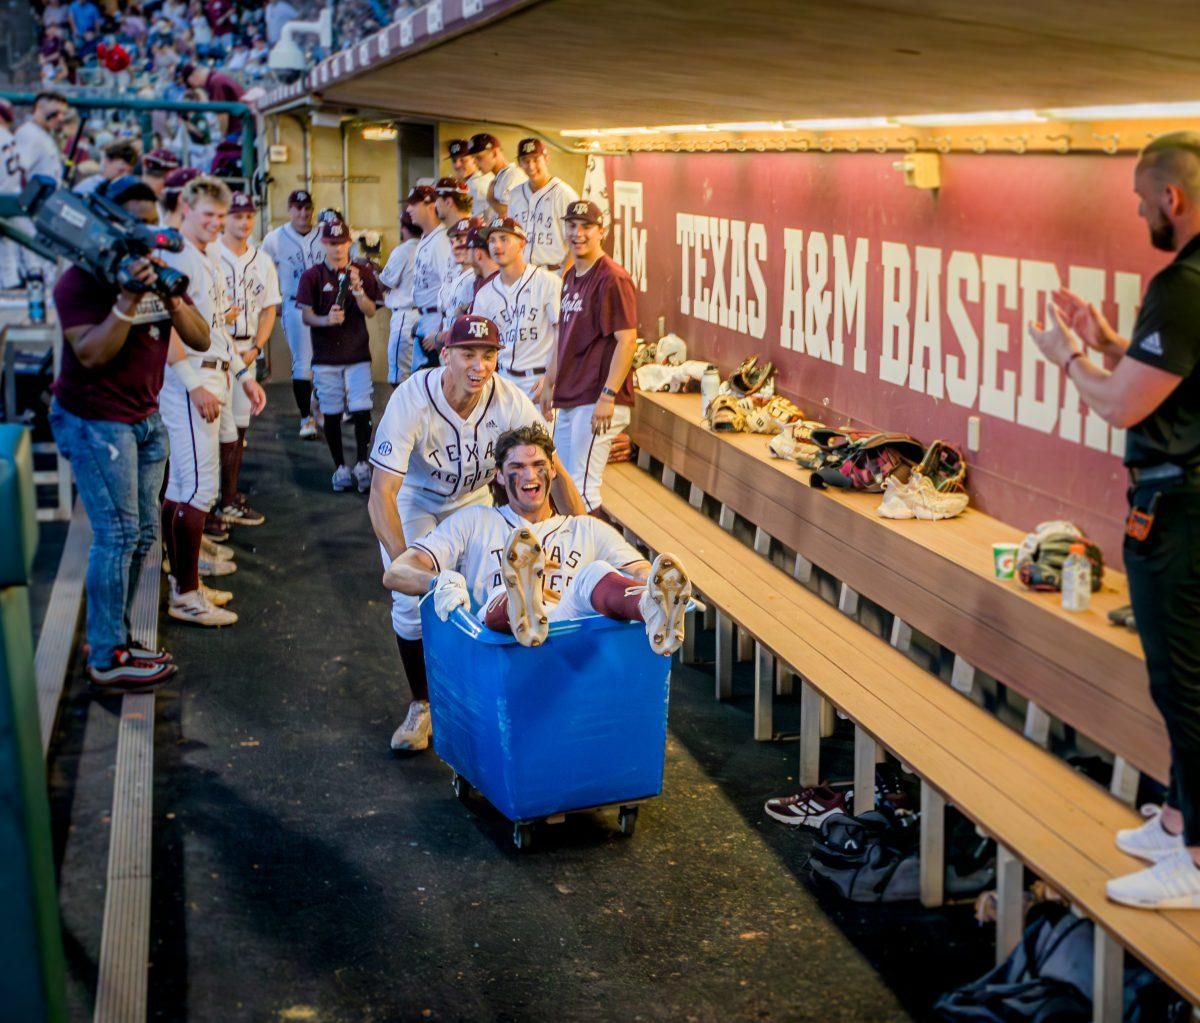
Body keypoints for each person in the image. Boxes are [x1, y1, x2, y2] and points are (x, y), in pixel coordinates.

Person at [1027, 131, 1200, 911]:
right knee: (1179, 683)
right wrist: (1107, 340)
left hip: (1182, 512)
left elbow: (1121, 401)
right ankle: (1177, 818)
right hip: (1184, 506)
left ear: (1173, 197)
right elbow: (1170, 373)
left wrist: (1066, 356)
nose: (1138, 211)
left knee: (1186, 684)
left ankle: (1195, 859)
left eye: (1141, 198)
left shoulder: (1185, 283)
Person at [368, 314, 585, 752]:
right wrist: (403, 561)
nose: (479, 365)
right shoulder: (413, 398)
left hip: (472, 500)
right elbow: (381, 494)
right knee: (412, 603)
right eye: (468, 353)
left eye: (488, 355)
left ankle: (482, 696)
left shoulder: (508, 400)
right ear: (445, 354)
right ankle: (422, 704)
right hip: (417, 497)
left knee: (488, 591)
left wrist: (582, 534)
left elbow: (553, 469)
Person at [48, 177, 211, 690]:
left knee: (141, 535)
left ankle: (113, 634)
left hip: (143, 419)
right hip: (97, 421)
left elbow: (200, 338)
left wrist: (170, 295)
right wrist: (127, 299)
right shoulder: (79, 281)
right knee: (116, 535)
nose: (141, 231)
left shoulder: (157, 273)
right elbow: (93, 353)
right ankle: (106, 652)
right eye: (131, 221)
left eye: (148, 220)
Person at [385, 422, 690, 655]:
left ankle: (651, 608)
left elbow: (640, 572)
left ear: (553, 470)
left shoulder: (585, 528)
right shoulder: (475, 520)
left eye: (538, 466)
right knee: (501, 591)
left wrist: (655, 585)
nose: (530, 476)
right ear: (500, 477)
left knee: (594, 575)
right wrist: (439, 583)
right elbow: (396, 572)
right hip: (501, 643)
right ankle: (521, 606)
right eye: (517, 467)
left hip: (567, 634)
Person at [158, 175, 266, 627]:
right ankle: (185, 591)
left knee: (186, 486)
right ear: (186, 208)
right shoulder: (176, 254)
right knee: (198, 488)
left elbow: (216, 325)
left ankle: (183, 579)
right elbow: (165, 323)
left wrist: (242, 374)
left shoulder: (205, 254)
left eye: (221, 216)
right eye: (209, 215)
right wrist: (191, 381)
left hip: (214, 372)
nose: (216, 223)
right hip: (191, 379)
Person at [544, 200, 637, 513]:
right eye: (572, 225)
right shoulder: (571, 276)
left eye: (586, 226)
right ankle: (576, 557)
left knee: (583, 492)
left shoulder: (612, 278)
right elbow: (564, 338)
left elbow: (627, 340)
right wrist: (549, 383)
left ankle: (601, 560)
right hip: (572, 395)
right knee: (563, 484)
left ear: (602, 231)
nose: (578, 233)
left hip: (597, 398)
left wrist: (608, 395)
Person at [297, 218, 382, 493]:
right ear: (324, 243)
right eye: (332, 243)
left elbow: (370, 311)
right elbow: (307, 315)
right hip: (325, 356)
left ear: (350, 242)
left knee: (361, 409)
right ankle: (340, 468)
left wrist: (358, 291)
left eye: (341, 243)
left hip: (357, 352)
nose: (337, 249)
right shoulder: (312, 276)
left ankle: (361, 463)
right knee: (331, 412)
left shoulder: (362, 272)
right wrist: (326, 320)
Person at [213, 190, 280, 524]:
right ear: (225, 218)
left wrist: (257, 347)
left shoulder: (262, 259)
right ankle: (211, 501)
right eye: (237, 215)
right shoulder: (210, 255)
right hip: (213, 352)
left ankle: (228, 497)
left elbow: (269, 309)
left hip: (246, 349)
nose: (244, 222)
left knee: (238, 429)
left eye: (249, 216)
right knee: (211, 432)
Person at [471, 216, 560, 403]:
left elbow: (564, 335)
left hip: (538, 381)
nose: (496, 246)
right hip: (502, 382)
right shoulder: (485, 294)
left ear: (522, 243)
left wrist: (552, 379)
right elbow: (479, 343)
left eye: (504, 239)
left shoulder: (548, 283)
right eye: (492, 240)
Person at [261, 189, 322, 437]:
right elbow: (262, 271)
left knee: (326, 363)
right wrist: (272, 299)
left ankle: (321, 408)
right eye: (298, 208)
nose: (303, 213)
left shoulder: (323, 234)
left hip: (324, 305)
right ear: (289, 209)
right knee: (303, 363)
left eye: (307, 207)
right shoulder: (275, 238)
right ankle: (306, 418)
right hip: (295, 305)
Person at [505, 138, 579, 274]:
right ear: (519, 163)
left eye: (536, 159)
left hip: (553, 273)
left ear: (546, 159)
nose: (531, 166)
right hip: (521, 273)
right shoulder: (515, 195)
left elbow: (576, 242)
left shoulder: (565, 195)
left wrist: (564, 276)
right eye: (526, 161)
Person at [404, 183, 455, 375]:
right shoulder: (427, 237)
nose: (408, 209)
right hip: (425, 317)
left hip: (437, 319)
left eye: (414, 203)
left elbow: (449, 286)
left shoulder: (441, 240)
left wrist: (440, 329)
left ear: (430, 205)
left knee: (434, 381)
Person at [379, 209, 421, 385]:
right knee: (419, 376)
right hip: (425, 315)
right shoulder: (429, 246)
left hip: (405, 315)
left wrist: (371, 271)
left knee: (399, 376)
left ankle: (404, 413)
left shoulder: (402, 250)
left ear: (404, 228)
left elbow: (383, 284)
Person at [433, 215, 481, 350]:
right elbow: (447, 312)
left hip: (464, 347)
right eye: (454, 241)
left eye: (463, 241)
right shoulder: (456, 274)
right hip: (450, 345)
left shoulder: (476, 278)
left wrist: (441, 337)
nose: (456, 247)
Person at [0, 99, 26, 289]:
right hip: (14, 193)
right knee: (11, 245)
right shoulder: (9, 136)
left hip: (3, 194)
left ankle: (11, 281)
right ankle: (13, 280)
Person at [15, 92, 68, 184]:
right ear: (39, 108)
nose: (60, 118)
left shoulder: (44, 132)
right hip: (34, 195)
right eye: (55, 113)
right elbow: (18, 172)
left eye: (63, 113)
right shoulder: (30, 133)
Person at [469, 133, 525, 219]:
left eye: (479, 158)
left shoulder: (512, 176)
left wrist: (491, 199)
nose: (475, 163)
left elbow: (507, 213)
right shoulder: (501, 177)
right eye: (473, 158)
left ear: (494, 153)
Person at [74, 138, 140, 195]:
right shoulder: (91, 185)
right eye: (121, 170)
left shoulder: (124, 191)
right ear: (107, 160)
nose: (125, 176)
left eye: (129, 172)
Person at [448, 137, 491, 219]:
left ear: (474, 160)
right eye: (454, 161)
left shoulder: (477, 185)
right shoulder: (471, 182)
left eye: (463, 160)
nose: (457, 165)